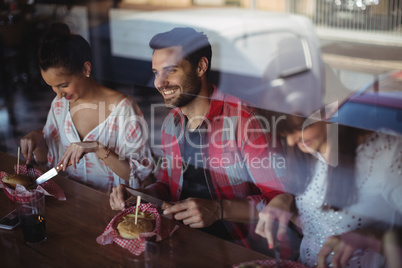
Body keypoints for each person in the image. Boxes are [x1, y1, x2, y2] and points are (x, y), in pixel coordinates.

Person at [109, 27, 288, 252]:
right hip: (178, 240)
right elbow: (166, 185)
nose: (159, 83)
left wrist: (219, 210)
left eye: (170, 70)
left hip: (240, 250)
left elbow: (281, 200)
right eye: (156, 72)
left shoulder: (244, 120)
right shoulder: (171, 122)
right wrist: (138, 196)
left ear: (201, 67)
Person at [255, 111, 402, 267]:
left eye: (299, 127)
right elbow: (318, 216)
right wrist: (285, 200)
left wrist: (370, 237)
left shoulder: (388, 155)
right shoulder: (309, 150)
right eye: (286, 133)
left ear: (331, 108)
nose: (291, 141)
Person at [20, 23, 153, 192]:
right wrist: (37, 138)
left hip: (112, 205)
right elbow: (47, 161)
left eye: (63, 85)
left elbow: (137, 176)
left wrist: (97, 147)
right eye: (52, 86)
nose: (58, 94)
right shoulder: (60, 105)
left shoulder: (123, 109)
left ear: (85, 69)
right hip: (71, 200)